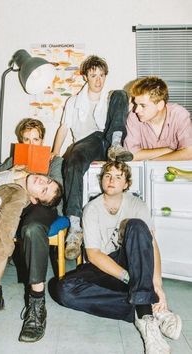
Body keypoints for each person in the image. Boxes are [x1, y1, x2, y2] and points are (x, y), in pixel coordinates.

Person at [48, 161, 182, 354]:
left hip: (131, 260)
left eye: (118, 177)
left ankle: (145, 317)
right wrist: (129, 278)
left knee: (136, 226)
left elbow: (151, 245)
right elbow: (93, 255)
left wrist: (157, 285)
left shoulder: (137, 204)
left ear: (126, 184)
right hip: (104, 265)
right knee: (63, 290)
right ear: (102, 180)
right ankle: (147, 308)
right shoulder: (91, 209)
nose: (111, 180)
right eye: (107, 175)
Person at [0, 118, 64, 343]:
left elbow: (54, 190)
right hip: (13, 202)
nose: (31, 143)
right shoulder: (14, 159)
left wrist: (35, 179)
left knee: (32, 229)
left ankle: (37, 303)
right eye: (26, 140)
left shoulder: (55, 160)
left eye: (36, 139)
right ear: (20, 141)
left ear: (42, 139)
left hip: (40, 204)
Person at [52, 55, 133, 260]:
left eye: (102, 75)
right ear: (86, 76)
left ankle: (116, 145)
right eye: (93, 75)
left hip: (109, 142)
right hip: (88, 144)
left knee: (122, 94)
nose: (98, 80)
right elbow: (64, 127)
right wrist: (54, 151)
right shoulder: (74, 101)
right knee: (72, 160)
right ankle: (75, 228)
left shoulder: (110, 97)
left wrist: (115, 143)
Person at [124, 76, 192, 161]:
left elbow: (189, 153)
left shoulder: (179, 114)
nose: (137, 110)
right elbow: (130, 155)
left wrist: (152, 161)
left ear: (160, 105)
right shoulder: (133, 116)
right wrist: (169, 151)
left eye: (143, 105)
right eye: (136, 104)